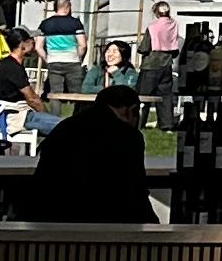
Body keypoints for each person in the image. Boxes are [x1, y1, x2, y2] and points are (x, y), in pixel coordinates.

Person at [19, 74, 154, 221]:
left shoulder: (64, 127)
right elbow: (134, 189)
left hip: (47, 216)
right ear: (131, 111)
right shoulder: (128, 136)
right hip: (103, 221)